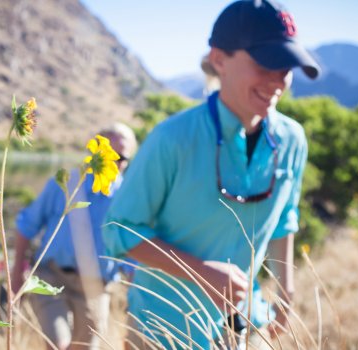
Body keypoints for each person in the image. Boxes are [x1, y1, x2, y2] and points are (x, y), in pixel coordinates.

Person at [102, 0, 320, 348]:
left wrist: (286, 294)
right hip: (164, 328)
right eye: (267, 63)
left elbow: (284, 220)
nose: (279, 80)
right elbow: (120, 231)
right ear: (219, 59)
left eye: (287, 66)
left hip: (244, 326)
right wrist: (200, 271)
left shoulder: (292, 141)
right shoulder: (171, 139)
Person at [11, 123, 137, 350]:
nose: (115, 162)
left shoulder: (128, 201)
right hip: (51, 275)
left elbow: (131, 257)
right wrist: (17, 272)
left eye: (122, 158)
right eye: (109, 155)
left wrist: (135, 302)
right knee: (57, 343)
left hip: (96, 288)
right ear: (94, 152)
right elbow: (27, 225)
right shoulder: (66, 184)